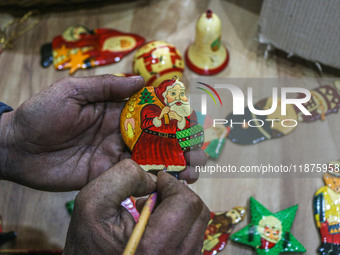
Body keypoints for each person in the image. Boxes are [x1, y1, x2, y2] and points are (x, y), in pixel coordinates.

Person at [0, 75, 209, 254]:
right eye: (173, 94)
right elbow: (147, 122)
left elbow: (181, 130)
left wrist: (8, 137)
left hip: (167, 149)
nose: (177, 98)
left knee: (178, 157)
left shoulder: (178, 112)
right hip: (149, 144)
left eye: (179, 95)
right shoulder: (151, 107)